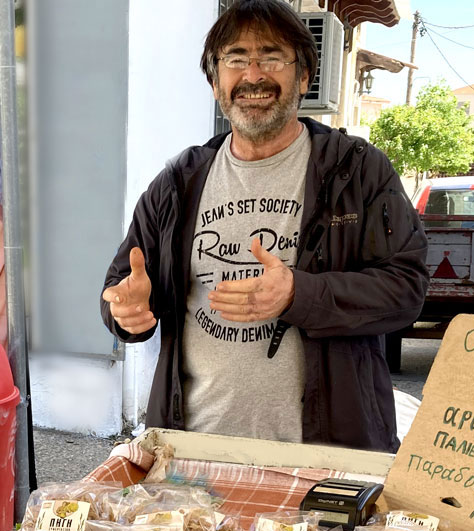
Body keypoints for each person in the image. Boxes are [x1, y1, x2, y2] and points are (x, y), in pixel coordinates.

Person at [100, 0, 428, 453]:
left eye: (272, 57)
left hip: (325, 451)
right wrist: (125, 314)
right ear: (216, 83)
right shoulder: (178, 182)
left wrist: (298, 293)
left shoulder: (357, 170)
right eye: (235, 59)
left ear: (305, 77)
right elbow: (123, 286)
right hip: (193, 449)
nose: (253, 75)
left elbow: (406, 289)